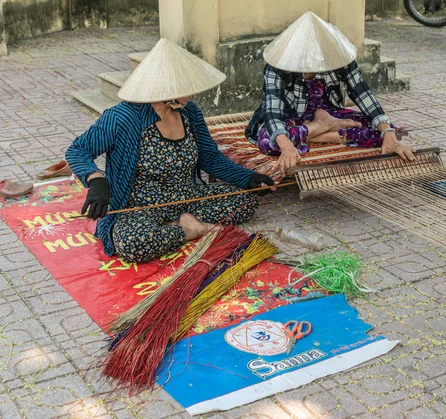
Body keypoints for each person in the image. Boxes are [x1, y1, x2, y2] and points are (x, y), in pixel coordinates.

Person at [66, 38, 274, 263]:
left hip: (187, 196)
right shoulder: (122, 117)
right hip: (141, 204)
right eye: (185, 89)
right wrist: (96, 180)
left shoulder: (189, 112)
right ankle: (188, 230)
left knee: (246, 201)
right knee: (133, 244)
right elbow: (78, 150)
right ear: (164, 88)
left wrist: (248, 178)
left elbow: (210, 158)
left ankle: (179, 222)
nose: (192, 94)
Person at [245, 11, 416, 175]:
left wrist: (387, 133)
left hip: (328, 113)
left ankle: (316, 131)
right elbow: (272, 110)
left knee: (386, 131)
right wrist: (287, 145)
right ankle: (321, 128)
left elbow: (361, 91)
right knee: (271, 143)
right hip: (290, 116)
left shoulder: (337, 56)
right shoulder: (277, 65)